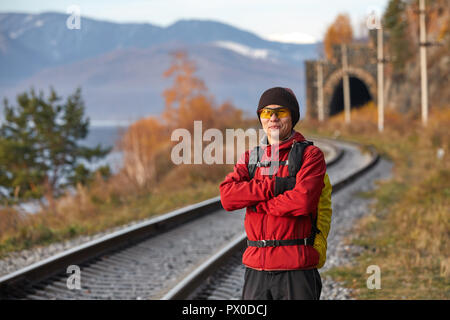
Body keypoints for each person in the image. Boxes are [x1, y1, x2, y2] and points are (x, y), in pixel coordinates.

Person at [219, 86, 331, 300]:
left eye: (280, 112)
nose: (272, 118)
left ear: (292, 116)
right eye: (266, 112)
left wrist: (256, 203)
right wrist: (274, 187)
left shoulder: (310, 156)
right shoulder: (251, 158)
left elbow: (303, 202)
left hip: (296, 268)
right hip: (256, 269)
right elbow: (227, 197)